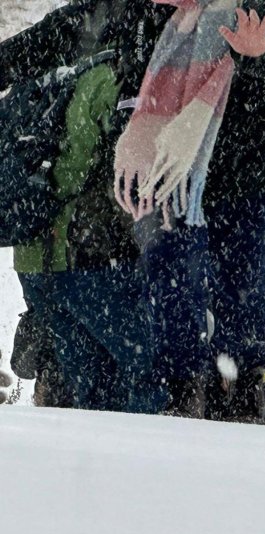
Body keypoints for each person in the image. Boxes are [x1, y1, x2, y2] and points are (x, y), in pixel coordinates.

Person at [104, 0, 265, 419]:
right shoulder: (144, 11)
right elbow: (119, 60)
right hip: (170, 169)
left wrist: (259, 53)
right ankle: (183, 390)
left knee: (245, 275)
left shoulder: (255, 2)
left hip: (254, 165)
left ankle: (242, 390)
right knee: (172, 275)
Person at [1, 1, 170, 414]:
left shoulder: (37, 78)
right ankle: (153, 464)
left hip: (36, 256)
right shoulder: (111, 79)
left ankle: (87, 463)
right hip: (93, 259)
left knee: (82, 385)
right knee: (144, 370)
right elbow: (102, 172)